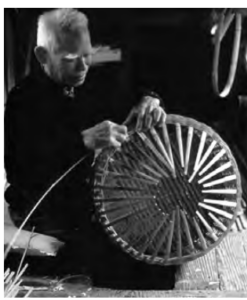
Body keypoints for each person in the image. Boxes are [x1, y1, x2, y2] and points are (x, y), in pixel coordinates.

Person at [5, 8, 176, 289]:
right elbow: (23, 176)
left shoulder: (88, 66)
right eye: (72, 59)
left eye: (87, 54)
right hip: (48, 217)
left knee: (164, 252)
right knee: (140, 270)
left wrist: (149, 96)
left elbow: (131, 62)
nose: (84, 65)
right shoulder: (22, 100)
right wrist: (81, 142)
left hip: (94, 203)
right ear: (42, 56)